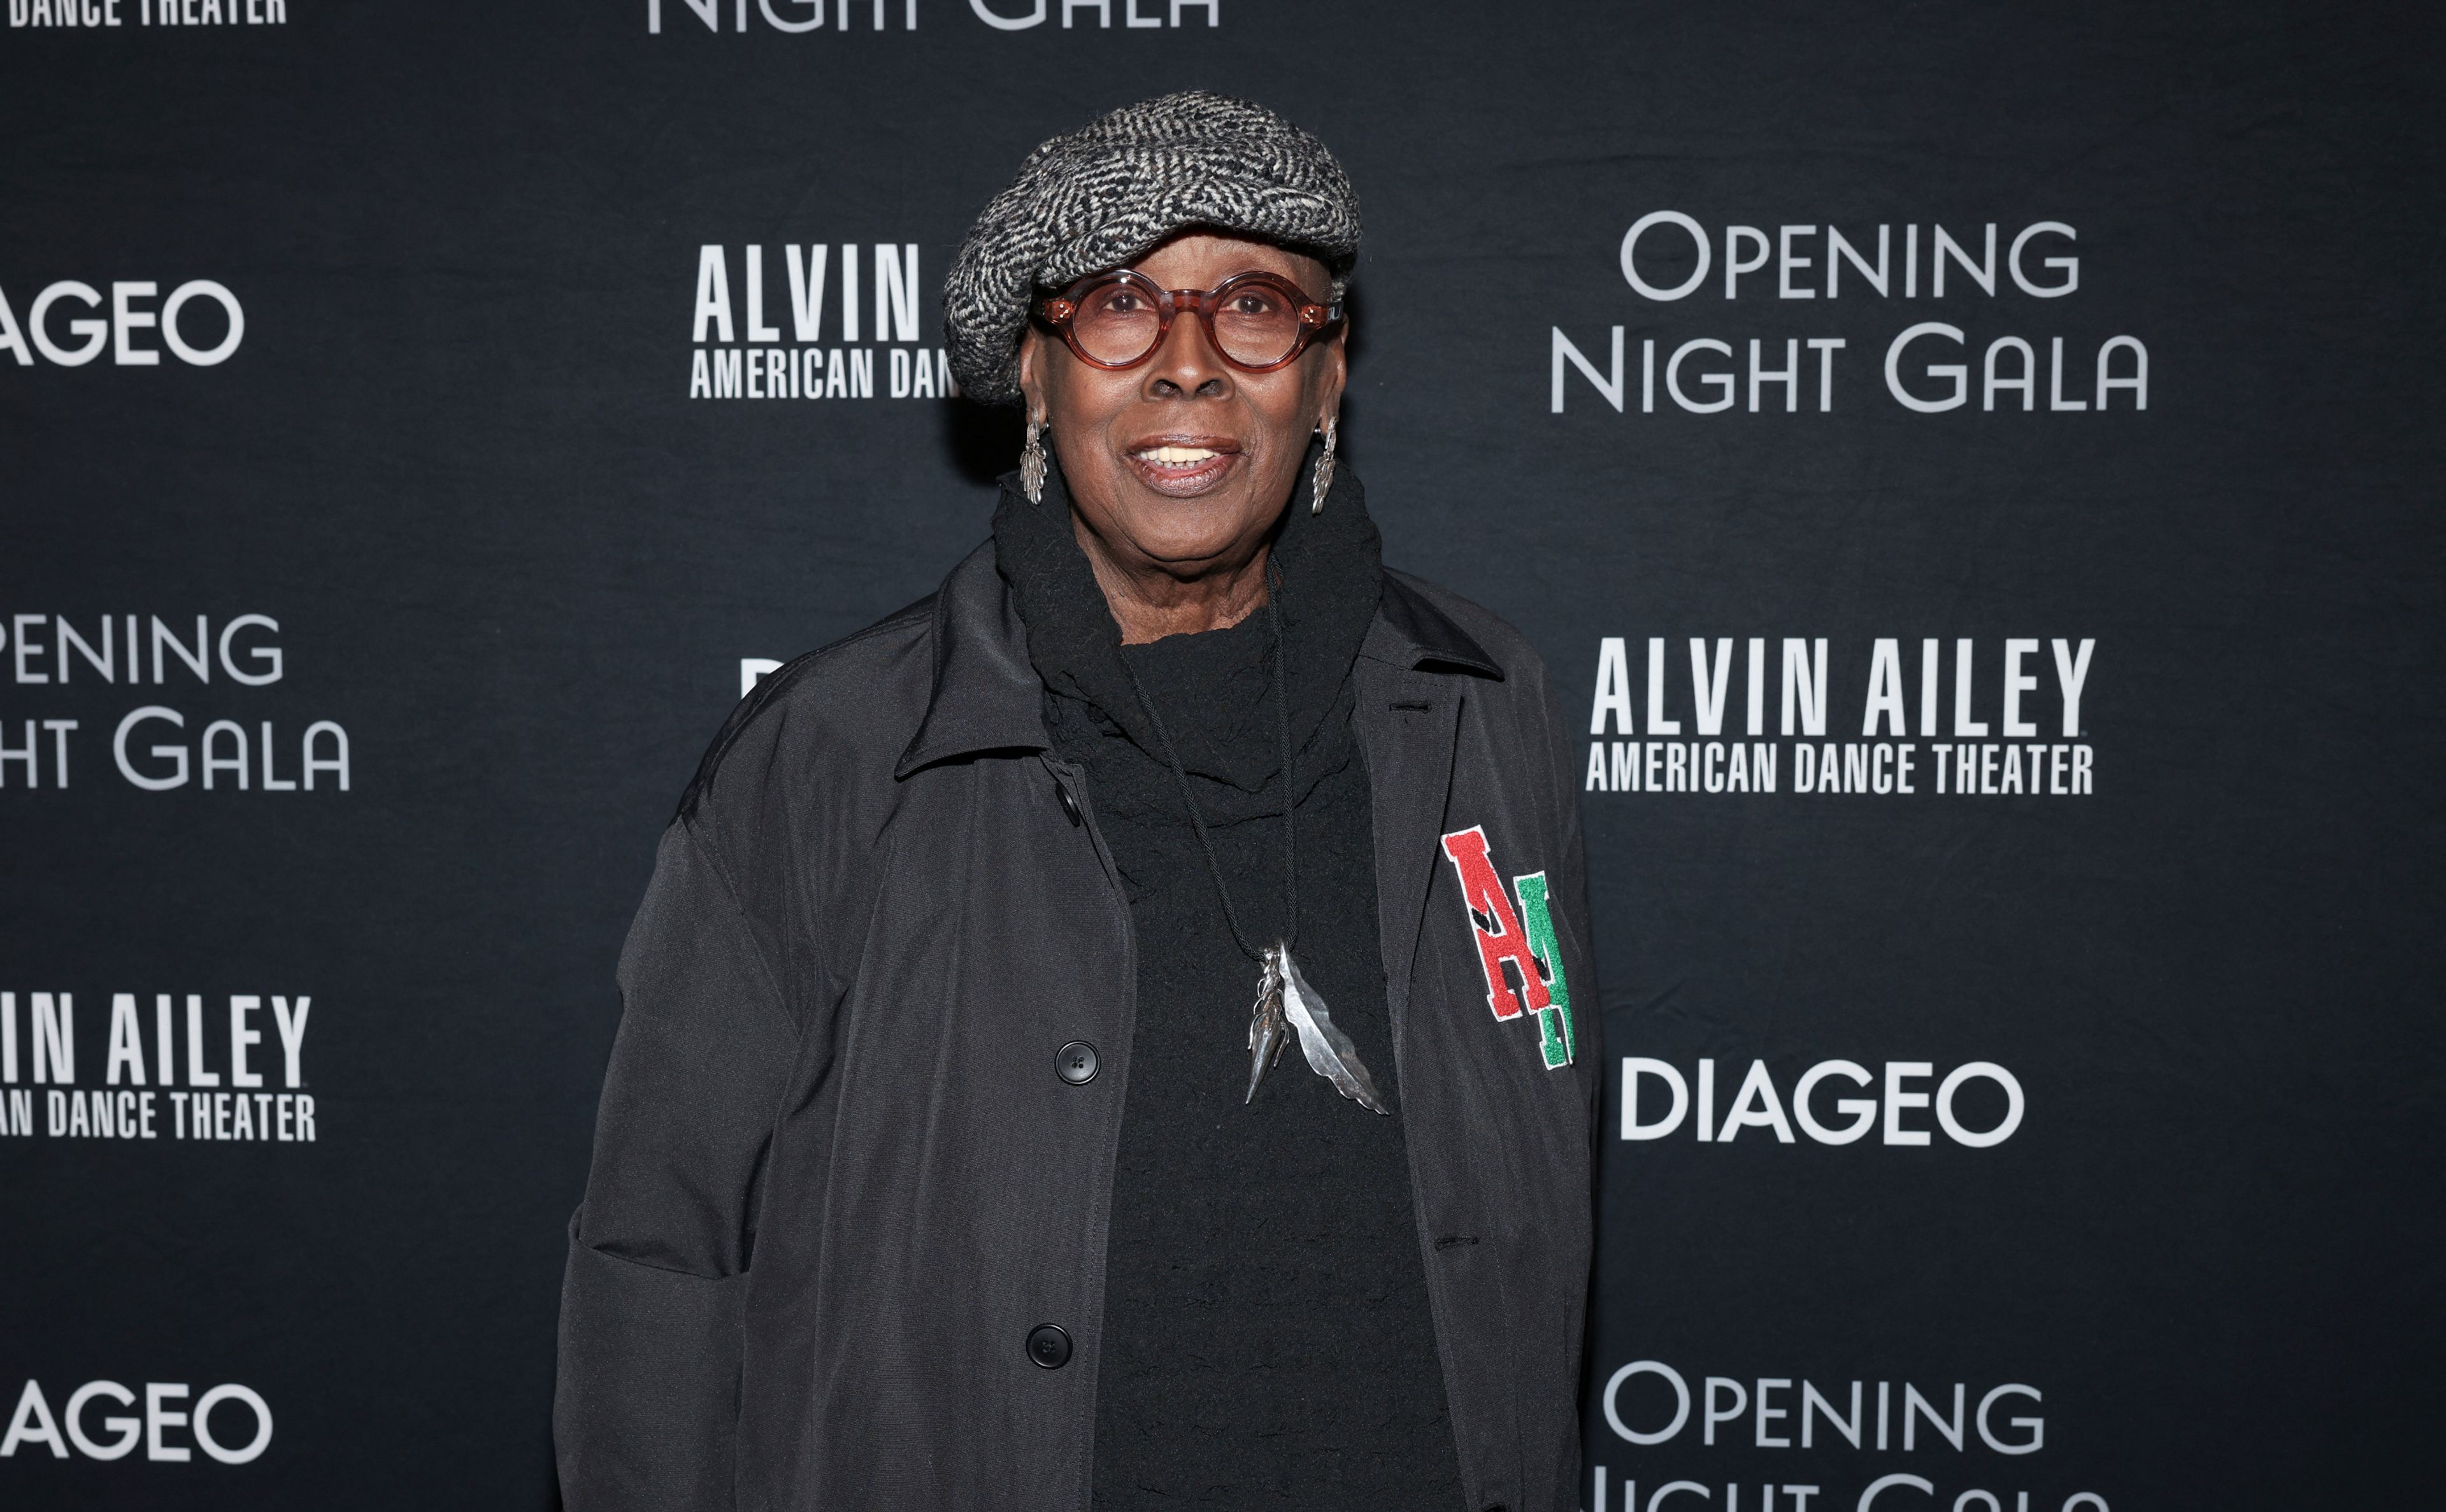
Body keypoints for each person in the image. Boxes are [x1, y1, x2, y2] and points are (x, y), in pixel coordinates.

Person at [555, 90, 1599, 1512]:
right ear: (1035, 378)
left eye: (1253, 304)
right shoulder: (837, 755)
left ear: (1329, 369)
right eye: (1119, 305)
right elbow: (660, 1261)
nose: (1187, 366)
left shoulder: (1489, 702)